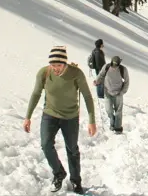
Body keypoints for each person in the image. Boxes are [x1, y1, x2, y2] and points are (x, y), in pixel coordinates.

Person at [23, 46, 97, 194]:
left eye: (59, 65)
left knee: (72, 149)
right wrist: (28, 117)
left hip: (70, 117)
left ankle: (76, 181)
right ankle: (59, 173)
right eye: (53, 65)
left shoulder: (76, 74)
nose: (55, 68)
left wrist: (91, 120)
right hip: (49, 114)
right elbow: (36, 93)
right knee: (45, 144)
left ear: (65, 63)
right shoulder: (44, 73)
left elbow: (87, 96)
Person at [94, 55, 129, 134]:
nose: (114, 66)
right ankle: (112, 121)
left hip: (118, 93)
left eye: (116, 65)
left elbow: (127, 82)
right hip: (107, 92)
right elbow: (101, 75)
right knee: (108, 110)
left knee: (118, 112)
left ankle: (118, 128)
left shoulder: (123, 69)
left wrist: (122, 92)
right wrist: (97, 81)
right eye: (113, 64)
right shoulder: (106, 67)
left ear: (119, 64)